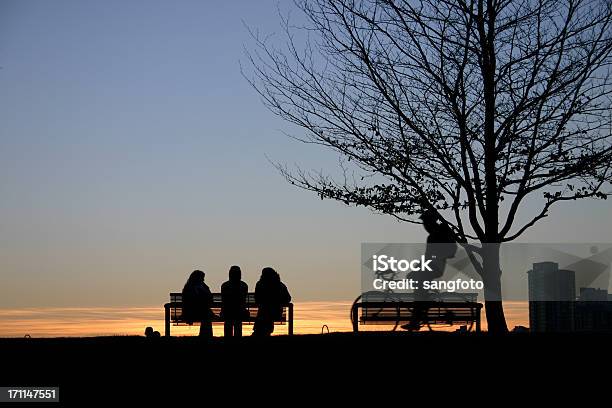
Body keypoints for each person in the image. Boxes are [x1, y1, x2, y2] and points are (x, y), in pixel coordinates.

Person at [402, 209, 456, 331]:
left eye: (426, 223)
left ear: (431, 222)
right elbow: (427, 257)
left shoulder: (436, 235)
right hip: (434, 267)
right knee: (419, 289)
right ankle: (421, 312)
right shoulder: (436, 234)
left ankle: (416, 319)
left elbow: (430, 257)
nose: (424, 226)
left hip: (435, 267)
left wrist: (417, 269)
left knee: (419, 290)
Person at [253, 267, 291, 336]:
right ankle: (264, 332)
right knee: (267, 312)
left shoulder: (260, 284)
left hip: (263, 313)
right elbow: (288, 298)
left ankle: (257, 332)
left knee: (265, 312)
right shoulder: (280, 285)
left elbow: (257, 299)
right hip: (276, 313)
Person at [181, 270, 214, 337]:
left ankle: (204, 335)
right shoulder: (193, 288)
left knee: (206, 314)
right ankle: (207, 336)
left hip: (193, 312)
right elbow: (208, 299)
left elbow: (210, 299)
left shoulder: (188, 287)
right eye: (202, 278)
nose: (203, 279)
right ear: (198, 278)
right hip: (193, 313)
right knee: (207, 315)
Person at [221, 265, 249, 338]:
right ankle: (238, 339)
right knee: (238, 322)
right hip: (240, 312)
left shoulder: (224, 285)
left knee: (228, 322)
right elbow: (243, 300)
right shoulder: (244, 285)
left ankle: (227, 339)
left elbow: (224, 301)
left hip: (227, 312)